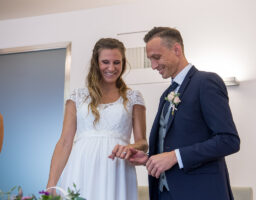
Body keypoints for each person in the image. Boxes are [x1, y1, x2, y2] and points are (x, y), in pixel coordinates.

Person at [126, 27, 240, 200]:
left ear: (177, 50)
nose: (153, 66)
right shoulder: (166, 94)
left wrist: (175, 156)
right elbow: (171, 145)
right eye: (150, 59)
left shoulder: (206, 82)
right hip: (164, 193)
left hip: (200, 193)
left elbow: (229, 140)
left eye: (157, 57)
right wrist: (149, 159)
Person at [46, 38, 148, 200]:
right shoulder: (77, 96)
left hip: (117, 168)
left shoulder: (134, 97)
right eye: (105, 62)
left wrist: (131, 147)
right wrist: (51, 183)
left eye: (117, 62)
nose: (111, 68)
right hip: (81, 166)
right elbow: (65, 142)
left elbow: (143, 142)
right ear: (96, 63)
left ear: (123, 63)